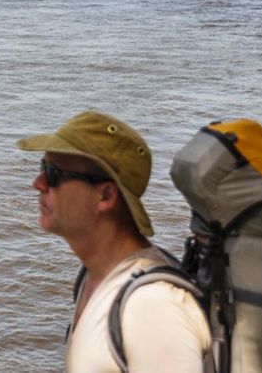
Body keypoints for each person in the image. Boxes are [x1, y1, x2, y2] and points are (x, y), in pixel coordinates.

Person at [17, 110, 211, 373]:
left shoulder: (153, 305)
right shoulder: (93, 276)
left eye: (53, 174)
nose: (38, 183)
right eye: (42, 168)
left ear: (105, 195)